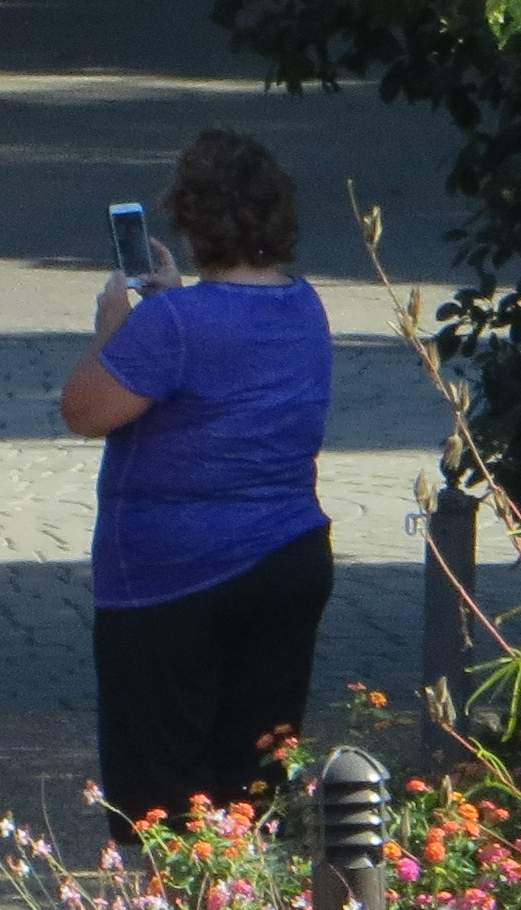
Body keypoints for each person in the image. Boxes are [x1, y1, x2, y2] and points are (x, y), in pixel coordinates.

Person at [57, 127, 335, 839]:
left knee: (165, 798)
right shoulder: (305, 303)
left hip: (172, 579)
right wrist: (172, 308)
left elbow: (85, 411)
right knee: (253, 784)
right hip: (287, 557)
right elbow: (225, 343)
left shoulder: (171, 323)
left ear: (192, 222)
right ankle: (247, 906)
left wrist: (112, 328)